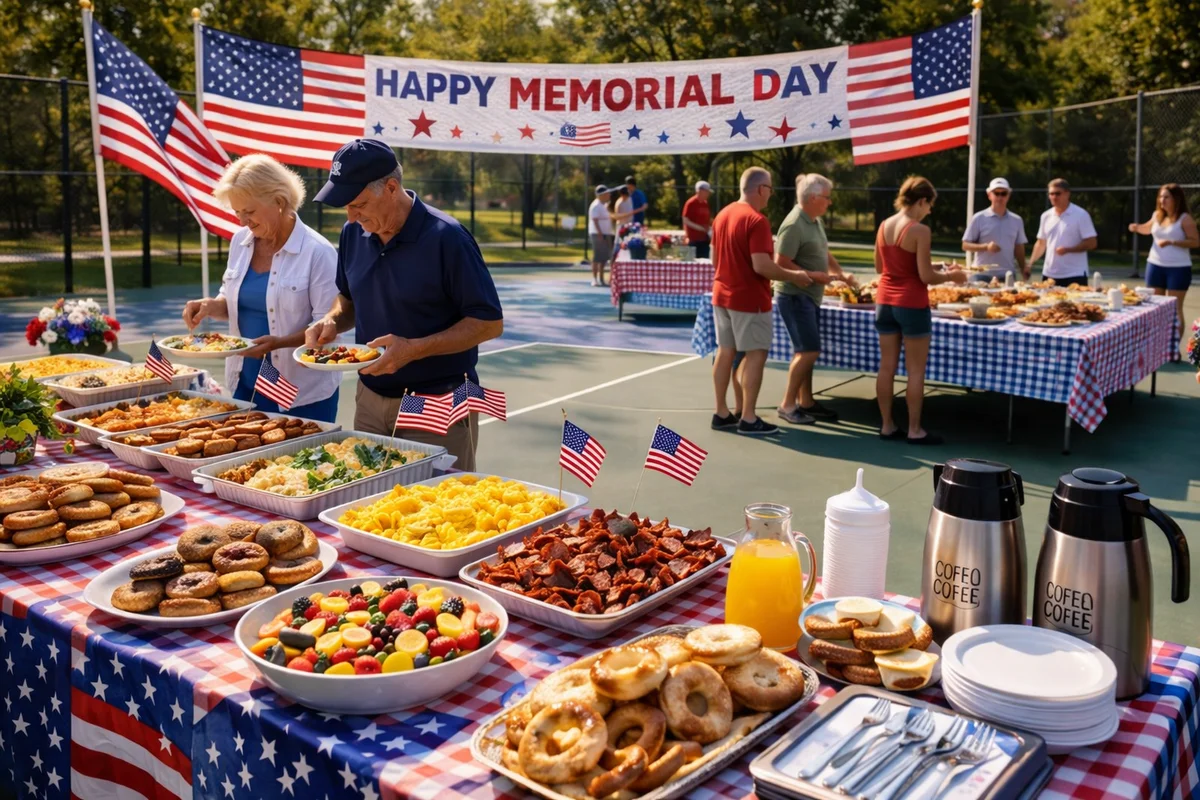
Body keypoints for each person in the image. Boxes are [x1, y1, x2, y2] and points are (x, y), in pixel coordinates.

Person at [304, 139, 503, 470]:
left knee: (441, 509)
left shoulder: (448, 237)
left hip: (438, 401)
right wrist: (332, 321)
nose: (351, 217)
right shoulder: (352, 234)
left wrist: (413, 349)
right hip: (369, 397)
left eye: (358, 204)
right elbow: (349, 300)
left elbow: (489, 323)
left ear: (391, 188)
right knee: (369, 504)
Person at [181, 154, 340, 421]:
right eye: (237, 212)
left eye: (249, 212)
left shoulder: (318, 252)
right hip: (246, 383)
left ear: (279, 201)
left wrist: (278, 344)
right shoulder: (239, 242)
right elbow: (235, 302)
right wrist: (210, 306)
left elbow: (327, 329)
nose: (242, 221)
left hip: (302, 394)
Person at [710, 167, 813, 436]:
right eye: (769, 189)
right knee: (756, 355)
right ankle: (748, 417)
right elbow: (762, 266)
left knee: (725, 352)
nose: (770, 194)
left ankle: (721, 412)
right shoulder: (757, 220)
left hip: (721, 295)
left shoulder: (722, 215)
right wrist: (796, 275)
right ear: (760, 189)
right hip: (748, 300)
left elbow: (714, 260)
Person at [874, 176, 967, 445]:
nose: (930, 211)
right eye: (929, 205)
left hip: (884, 302)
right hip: (911, 304)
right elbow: (925, 276)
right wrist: (953, 277)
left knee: (886, 367)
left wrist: (934, 267)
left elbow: (883, 268)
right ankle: (915, 429)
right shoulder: (919, 230)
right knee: (915, 370)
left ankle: (887, 425)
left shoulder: (884, 226)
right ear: (922, 201)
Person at [773, 173, 855, 426]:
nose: (830, 203)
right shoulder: (794, 223)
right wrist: (813, 275)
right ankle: (788, 405)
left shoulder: (813, 219)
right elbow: (780, 262)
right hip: (795, 296)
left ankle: (806, 402)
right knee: (809, 351)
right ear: (812, 197)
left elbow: (823, 250)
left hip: (808, 296)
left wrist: (839, 273)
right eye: (827, 198)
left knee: (806, 350)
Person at [1129, 183, 1199, 341]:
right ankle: (1159, 346)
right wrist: (1136, 227)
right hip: (1155, 266)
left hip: (1178, 269)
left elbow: (1195, 242)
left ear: (1176, 199)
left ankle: (1173, 348)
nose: (1162, 200)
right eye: (1160, 196)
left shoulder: (1185, 219)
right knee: (1156, 307)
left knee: (1174, 308)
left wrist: (1172, 242)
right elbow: (1147, 229)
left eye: (1166, 197)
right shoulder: (1157, 216)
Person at [1028, 178, 1097, 286]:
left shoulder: (1081, 215)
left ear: (1067, 194)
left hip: (1075, 275)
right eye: (1051, 194)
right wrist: (1030, 264)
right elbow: (1041, 243)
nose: (1054, 197)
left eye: (1057, 193)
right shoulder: (1046, 216)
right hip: (1049, 275)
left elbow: (1092, 243)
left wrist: (1068, 250)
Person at [962, 177, 1029, 280]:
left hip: (1007, 275)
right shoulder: (979, 218)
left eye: (1003, 193)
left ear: (1008, 196)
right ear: (989, 195)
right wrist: (986, 247)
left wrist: (1023, 268)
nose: (1000, 197)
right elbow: (965, 245)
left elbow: (1019, 247)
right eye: (996, 193)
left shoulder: (1017, 220)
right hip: (981, 274)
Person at [588, 184, 614, 287]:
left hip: (606, 233)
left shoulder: (604, 205)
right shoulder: (595, 205)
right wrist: (599, 233)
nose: (608, 195)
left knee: (604, 257)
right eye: (606, 194)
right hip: (597, 234)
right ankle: (594, 279)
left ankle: (602, 279)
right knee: (597, 256)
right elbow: (595, 220)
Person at [682, 181, 713, 259]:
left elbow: (708, 220)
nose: (708, 194)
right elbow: (685, 220)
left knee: (705, 263)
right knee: (688, 264)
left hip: (704, 240)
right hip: (692, 240)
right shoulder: (690, 203)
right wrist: (700, 228)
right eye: (707, 191)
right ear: (700, 191)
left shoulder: (705, 203)